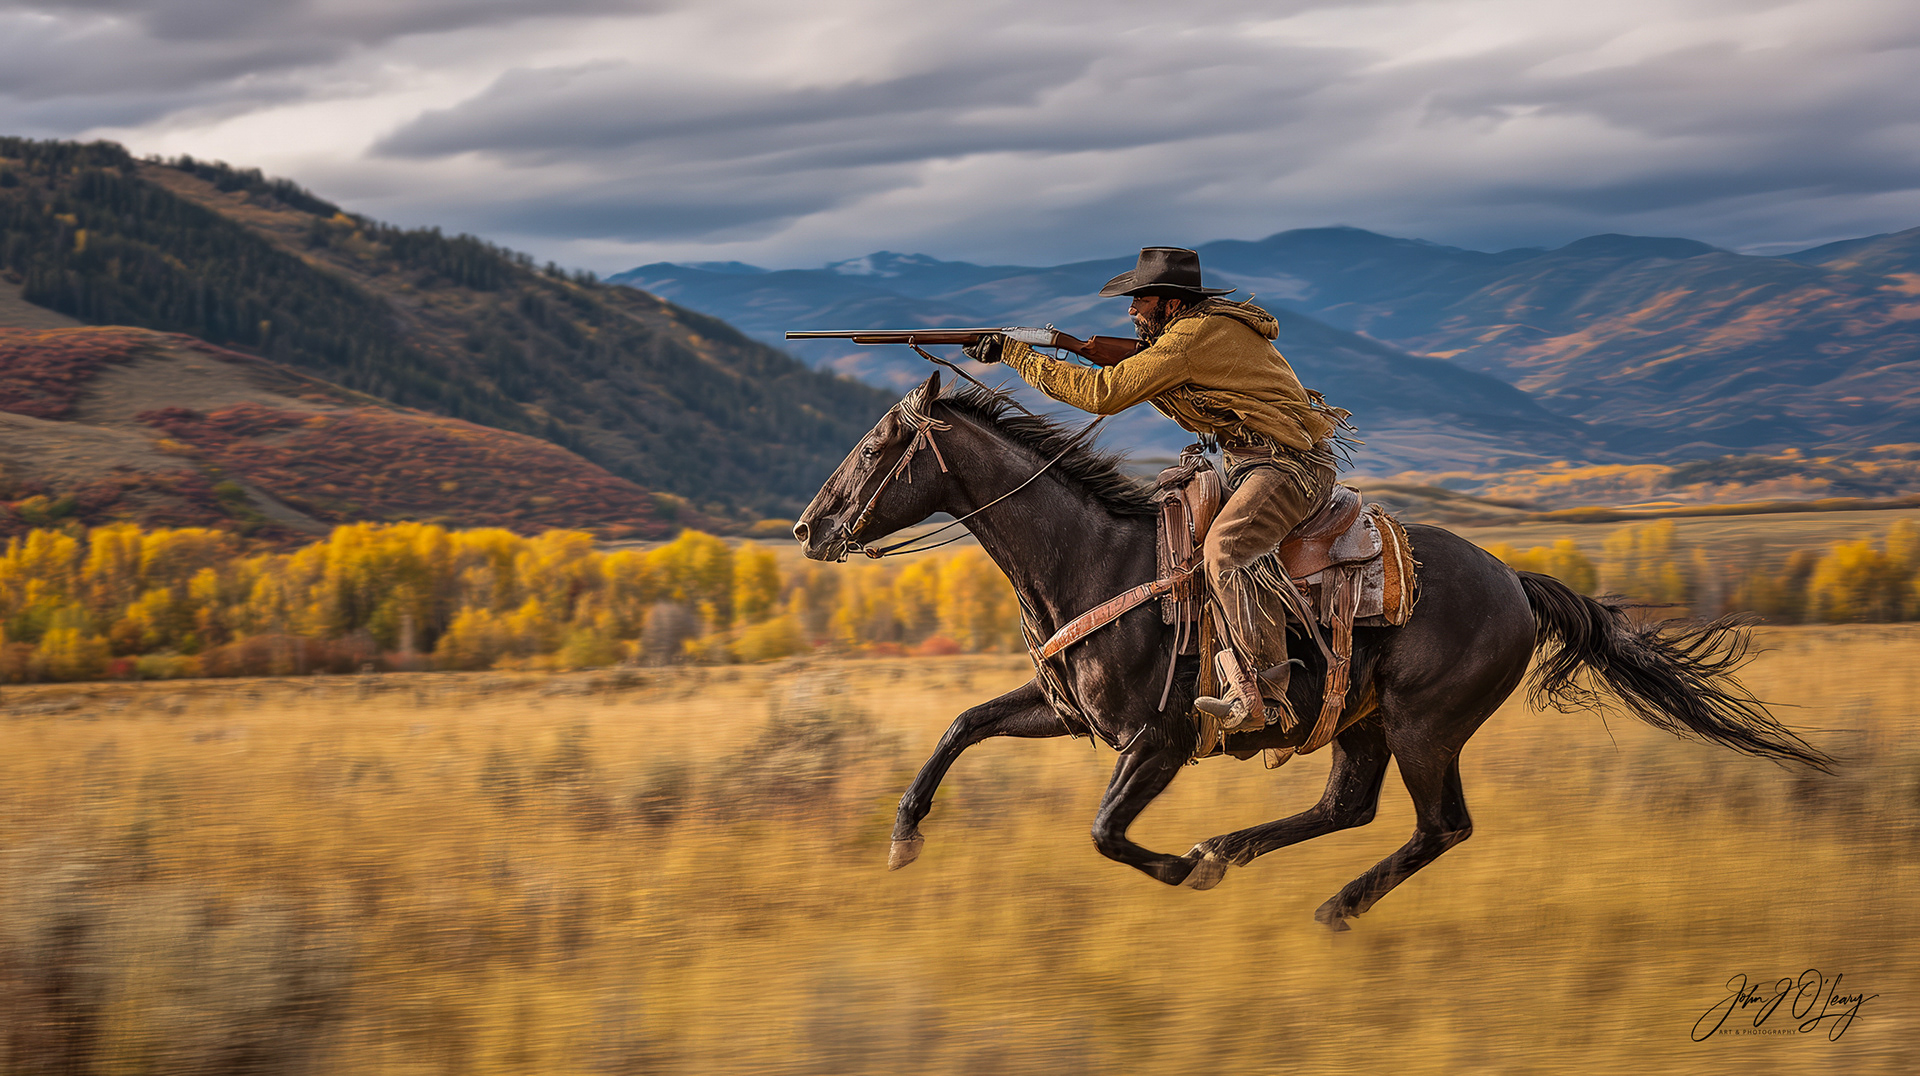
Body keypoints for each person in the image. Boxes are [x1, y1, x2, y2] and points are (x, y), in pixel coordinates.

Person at [963, 246, 1348, 732]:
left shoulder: (1192, 336)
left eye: (1140, 300)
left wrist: (1017, 354)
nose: (1131, 310)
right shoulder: (1194, 332)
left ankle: (1262, 696)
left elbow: (1104, 395)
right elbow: (1137, 374)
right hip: (1250, 463)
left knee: (1226, 550)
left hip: (1287, 467)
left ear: (1169, 302)